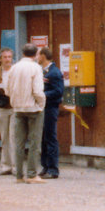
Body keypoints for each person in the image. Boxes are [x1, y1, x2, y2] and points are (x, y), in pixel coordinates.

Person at [5, 43, 45, 183]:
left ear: (22, 53)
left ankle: (19, 175)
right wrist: (41, 104)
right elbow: (38, 91)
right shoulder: (36, 68)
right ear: (36, 54)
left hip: (18, 108)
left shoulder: (14, 68)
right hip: (33, 108)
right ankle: (32, 174)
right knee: (34, 143)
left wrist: (15, 101)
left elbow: (7, 90)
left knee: (18, 143)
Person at [37, 46, 64, 179]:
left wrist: (42, 94)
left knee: (50, 137)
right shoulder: (43, 72)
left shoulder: (54, 73)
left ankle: (53, 169)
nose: (37, 58)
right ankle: (45, 166)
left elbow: (59, 91)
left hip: (50, 108)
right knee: (43, 138)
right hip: (43, 108)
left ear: (43, 56)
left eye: (38, 55)